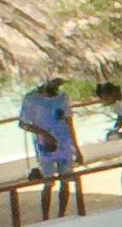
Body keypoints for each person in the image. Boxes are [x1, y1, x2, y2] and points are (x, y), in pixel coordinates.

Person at [14, 79, 80, 216]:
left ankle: (62, 213)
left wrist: (76, 149)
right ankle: (46, 216)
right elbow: (23, 123)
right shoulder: (32, 99)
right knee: (48, 182)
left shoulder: (63, 97)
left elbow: (69, 122)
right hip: (45, 146)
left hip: (64, 144)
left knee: (65, 181)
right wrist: (44, 134)